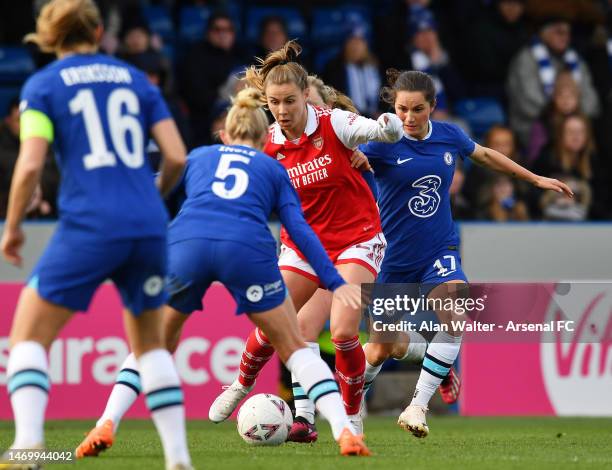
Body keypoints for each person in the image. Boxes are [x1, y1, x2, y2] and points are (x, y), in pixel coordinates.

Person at [78, 87, 371, 457]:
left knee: (151, 345)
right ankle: (345, 431)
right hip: (245, 250)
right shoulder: (273, 166)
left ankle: (107, 420)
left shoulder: (200, 156)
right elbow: (300, 231)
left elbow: (153, 187)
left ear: (225, 135)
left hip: (188, 246)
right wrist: (332, 279)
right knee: (294, 346)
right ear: (266, 138)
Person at [0, 1, 190, 469]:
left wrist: (14, 225)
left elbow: (29, 165)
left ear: (48, 37)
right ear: (100, 30)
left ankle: (28, 448)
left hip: (90, 224)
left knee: (26, 337)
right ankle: (179, 459)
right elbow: (176, 157)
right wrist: (150, 198)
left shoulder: (42, 86)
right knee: (149, 346)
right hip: (148, 227)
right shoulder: (134, 79)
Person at [358, 69, 572, 438]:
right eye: (402, 109)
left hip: (438, 250)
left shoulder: (449, 135)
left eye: (417, 109)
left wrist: (535, 179)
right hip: (392, 258)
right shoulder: (380, 143)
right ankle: (408, 370)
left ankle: (416, 407)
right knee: (381, 349)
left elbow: (487, 155)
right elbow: (344, 165)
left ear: (433, 107)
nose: (408, 118)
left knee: (456, 315)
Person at [208, 41, 404, 441]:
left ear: (305, 97)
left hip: (357, 240)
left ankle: (351, 417)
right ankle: (241, 385)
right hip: (304, 247)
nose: (282, 111)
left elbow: (370, 129)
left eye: (290, 102)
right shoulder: (269, 141)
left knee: (345, 330)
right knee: (276, 323)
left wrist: (386, 128)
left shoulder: (334, 123)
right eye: (274, 103)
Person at [506, 16, 600, 147]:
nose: (565, 37)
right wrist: (557, 117)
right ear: (544, 33)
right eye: (559, 32)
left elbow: (590, 100)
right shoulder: (526, 58)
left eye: (567, 33)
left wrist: (573, 119)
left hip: (574, 123)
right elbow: (527, 101)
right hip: (536, 126)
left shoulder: (576, 60)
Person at [180, 12, 246, 146]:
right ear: (208, 32)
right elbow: (197, 97)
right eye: (217, 29)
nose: (223, 34)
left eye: (228, 29)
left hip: (241, 114)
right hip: (205, 121)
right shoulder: (195, 56)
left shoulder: (242, 53)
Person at [322, 28, 382, 118]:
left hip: (375, 116)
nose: (356, 46)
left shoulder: (374, 66)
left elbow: (383, 95)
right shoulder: (334, 68)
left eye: (359, 42)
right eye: (352, 42)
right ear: (345, 45)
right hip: (347, 118)